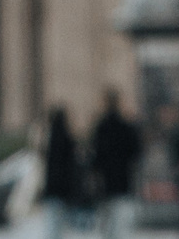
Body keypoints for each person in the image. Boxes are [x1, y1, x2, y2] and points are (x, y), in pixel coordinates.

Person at [90, 89, 143, 236]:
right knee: (119, 222)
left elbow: (95, 155)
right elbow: (136, 152)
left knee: (108, 224)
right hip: (122, 179)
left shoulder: (101, 127)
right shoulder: (126, 126)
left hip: (106, 181)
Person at [42, 106, 90, 235]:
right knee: (58, 225)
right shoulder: (68, 139)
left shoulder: (51, 138)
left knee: (53, 225)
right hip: (63, 189)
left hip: (53, 188)